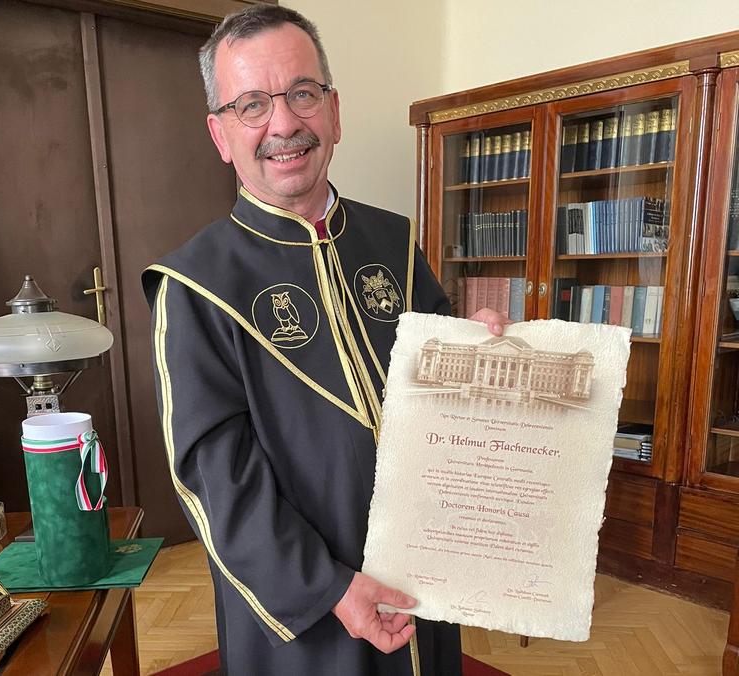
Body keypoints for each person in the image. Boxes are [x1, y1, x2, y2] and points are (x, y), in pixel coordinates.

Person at [143, 6, 506, 675]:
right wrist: (331, 588)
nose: (283, 124)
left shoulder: (393, 241)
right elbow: (215, 481)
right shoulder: (193, 286)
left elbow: (441, 397)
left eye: (301, 94)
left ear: (333, 111)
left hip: (423, 577)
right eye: (251, 104)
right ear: (220, 133)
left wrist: (480, 360)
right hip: (305, 615)